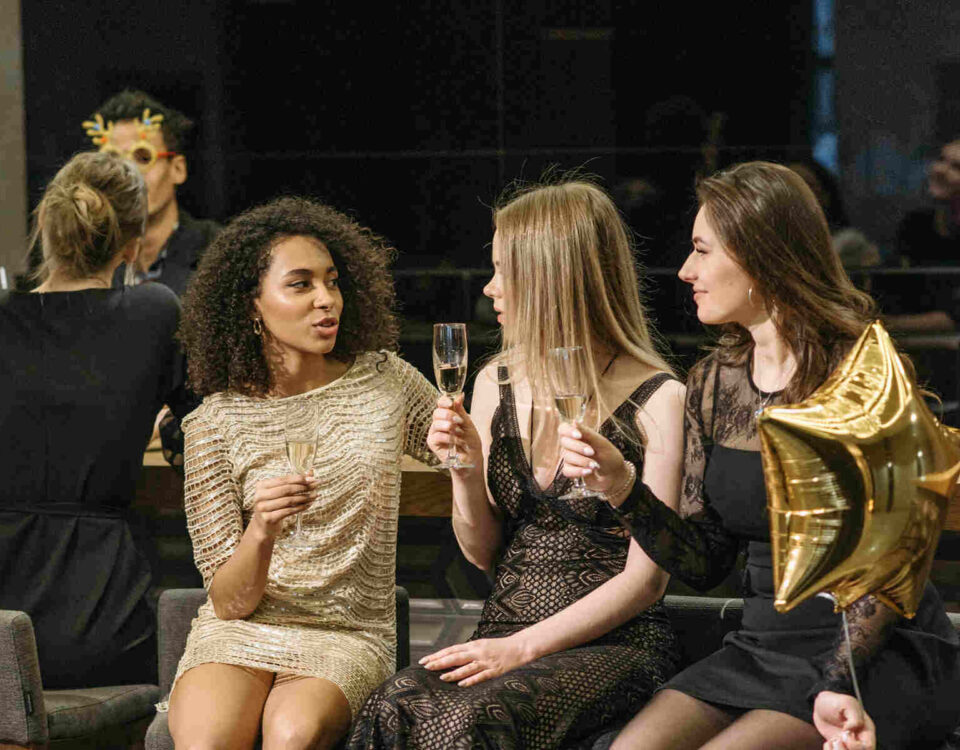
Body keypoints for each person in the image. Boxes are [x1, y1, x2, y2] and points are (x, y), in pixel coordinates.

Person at [557, 162, 960, 750]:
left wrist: (836, 681)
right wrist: (623, 487)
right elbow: (703, 562)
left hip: (869, 651)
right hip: (764, 647)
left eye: (702, 251)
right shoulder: (715, 382)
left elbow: (889, 562)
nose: (686, 270)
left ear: (760, 255)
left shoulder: (863, 371)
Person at [348, 179, 686, 749]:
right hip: (502, 626)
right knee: (392, 706)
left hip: (613, 644)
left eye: (504, 270)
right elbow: (483, 554)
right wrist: (464, 469)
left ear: (550, 279)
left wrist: (524, 648)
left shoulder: (659, 398)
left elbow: (647, 580)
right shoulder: (493, 381)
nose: (490, 287)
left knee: (473, 721)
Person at [165, 197, 438, 750]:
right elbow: (229, 602)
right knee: (207, 742)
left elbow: (462, 458)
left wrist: (469, 442)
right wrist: (261, 529)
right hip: (238, 631)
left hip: (346, 632)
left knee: (292, 736)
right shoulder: (214, 422)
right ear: (251, 305)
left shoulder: (386, 382)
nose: (326, 300)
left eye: (332, 282)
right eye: (301, 284)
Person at [0, 151, 190, 687]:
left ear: (46, 227)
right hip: (99, 620)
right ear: (133, 245)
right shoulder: (152, 313)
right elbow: (207, 428)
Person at [81, 89, 220, 296]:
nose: (128, 174)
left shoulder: (217, 252)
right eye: (113, 162)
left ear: (177, 169)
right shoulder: (85, 260)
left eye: (143, 158)